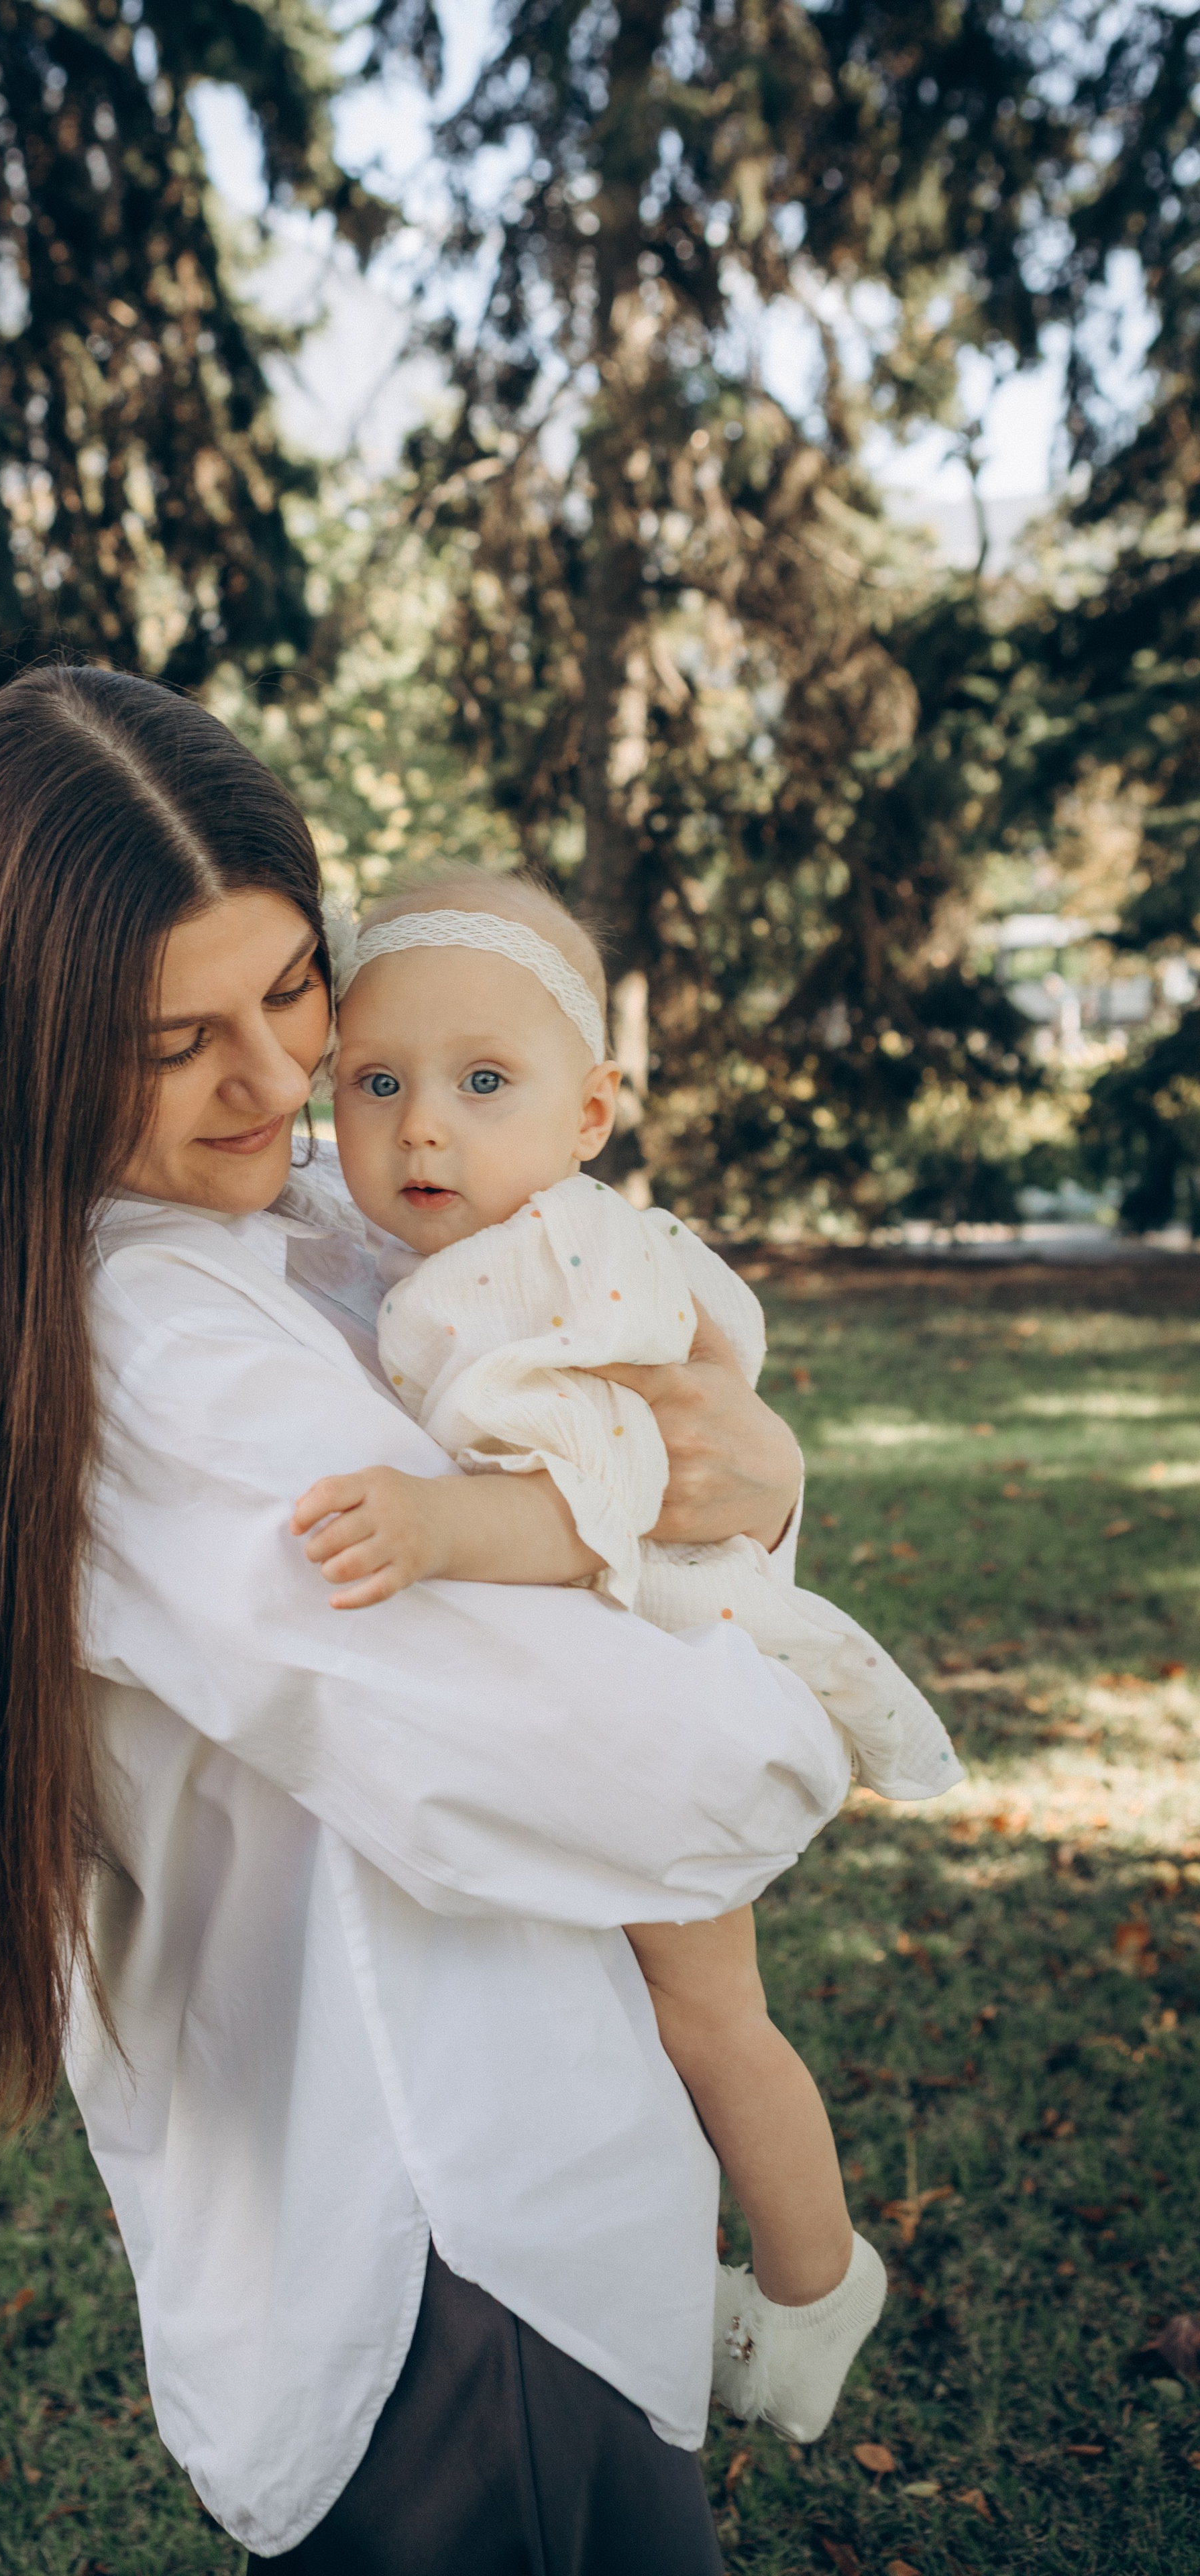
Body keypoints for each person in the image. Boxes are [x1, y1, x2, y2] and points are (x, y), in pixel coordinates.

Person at [0, 664, 853, 2571]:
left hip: (470, 2207)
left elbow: (643, 1435)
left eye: (293, 985)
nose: (282, 1083)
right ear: (17, 1050)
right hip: (452, 2244)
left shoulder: (284, 1223)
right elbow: (638, 1775)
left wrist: (753, 1484)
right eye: (172, 1037)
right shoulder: (158, 1349)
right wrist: (780, 1669)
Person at [292, 869, 961, 2445]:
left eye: (479, 1083)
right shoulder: (473, 1249)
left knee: (708, 2016)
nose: (421, 1131)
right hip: (609, 1678)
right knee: (647, 2022)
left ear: (592, 1110)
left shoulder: (561, 1273)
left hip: (664, 1667)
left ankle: (812, 2287)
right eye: (377, 1085)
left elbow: (607, 1493)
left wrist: (437, 1526)